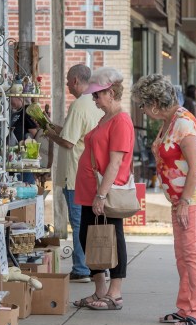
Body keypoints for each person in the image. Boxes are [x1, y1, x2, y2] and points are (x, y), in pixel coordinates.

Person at [131, 74, 196, 325]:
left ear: (155, 102)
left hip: (193, 197)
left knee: (193, 253)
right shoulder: (169, 121)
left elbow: (195, 166)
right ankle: (186, 306)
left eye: (143, 105)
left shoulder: (183, 123)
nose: (143, 111)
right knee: (182, 254)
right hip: (180, 199)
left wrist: (185, 201)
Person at [73, 67, 134, 310]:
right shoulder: (105, 118)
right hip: (89, 189)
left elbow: (116, 162)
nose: (94, 100)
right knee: (88, 238)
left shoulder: (121, 120)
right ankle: (99, 290)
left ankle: (115, 293)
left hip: (105, 190)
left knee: (112, 238)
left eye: (97, 95)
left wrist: (101, 195)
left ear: (110, 92)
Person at [45, 64, 103, 283]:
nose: (68, 85)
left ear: (77, 80)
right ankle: (95, 265)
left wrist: (48, 133)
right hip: (92, 173)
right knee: (91, 222)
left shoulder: (79, 105)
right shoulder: (96, 103)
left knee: (78, 222)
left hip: (76, 173)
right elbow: (74, 133)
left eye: (69, 81)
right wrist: (51, 126)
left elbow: (68, 142)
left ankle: (81, 267)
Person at [9, 96, 38, 184]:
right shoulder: (15, 112)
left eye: (11, 98)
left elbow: (35, 133)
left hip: (25, 157)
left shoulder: (26, 111)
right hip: (13, 156)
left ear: (19, 97)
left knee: (25, 184)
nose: (10, 100)